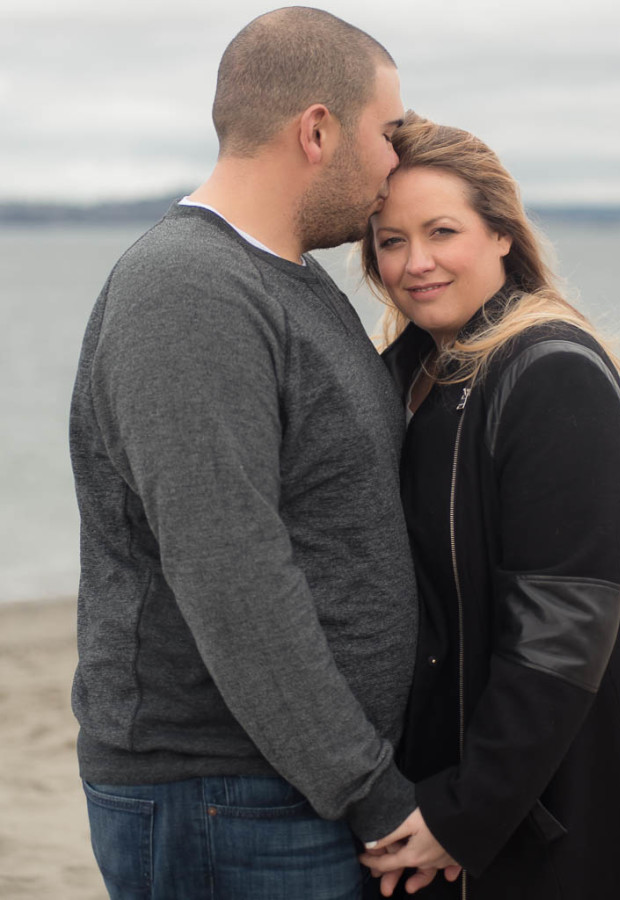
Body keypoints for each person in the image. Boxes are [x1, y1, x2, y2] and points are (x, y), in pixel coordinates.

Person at [69, 9, 422, 899]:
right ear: (317, 130)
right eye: (390, 133)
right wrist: (370, 792)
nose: (398, 162)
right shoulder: (187, 288)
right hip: (224, 798)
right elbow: (231, 569)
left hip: (289, 789)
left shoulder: (289, 280)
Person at [358, 111, 620, 898]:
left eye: (441, 231)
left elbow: (562, 631)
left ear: (500, 235)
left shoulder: (553, 374)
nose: (415, 262)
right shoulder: (420, 373)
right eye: (390, 241)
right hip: (486, 785)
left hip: (578, 804)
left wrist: (467, 810)